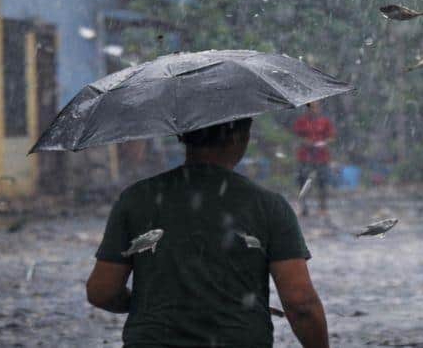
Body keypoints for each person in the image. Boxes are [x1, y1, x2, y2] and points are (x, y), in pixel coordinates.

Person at [86, 117, 329, 348]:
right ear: (242, 137)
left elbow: (102, 291)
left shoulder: (136, 199)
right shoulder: (268, 206)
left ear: (183, 136)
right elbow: (301, 303)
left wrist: (150, 306)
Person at [292, 102, 335, 216]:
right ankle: (304, 207)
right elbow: (296, 136)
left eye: (316, 107)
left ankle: (323, 207)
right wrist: (305, 142)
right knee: (303, 181)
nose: (314, 110)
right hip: (305, 156)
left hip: (321, 156)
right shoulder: (301, 121)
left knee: (322, 182)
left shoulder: (325, 122)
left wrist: (323, 143)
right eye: (312, 108)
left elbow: (331, 137)